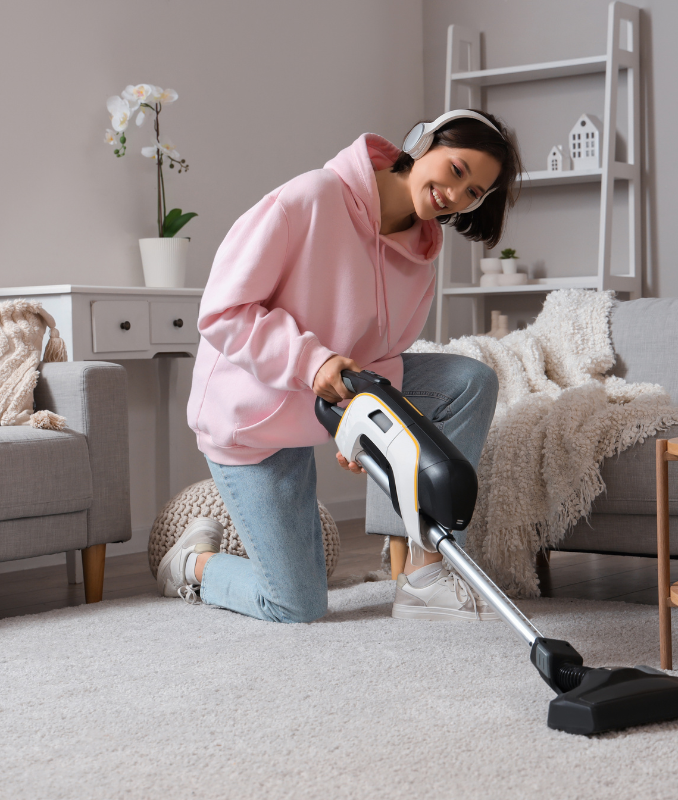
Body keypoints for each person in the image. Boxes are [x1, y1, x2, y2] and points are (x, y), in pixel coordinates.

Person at [158, 110, 522, 623]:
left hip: (323, 403)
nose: (456, 195)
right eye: (458, 170)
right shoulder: (311, 197)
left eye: (474, 193)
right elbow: (223, 312)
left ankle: (427, 571)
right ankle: (194, 564)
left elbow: (381, 359)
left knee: (470, 381)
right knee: (294, 604)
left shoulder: (421, 261)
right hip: (252, 422)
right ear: (421, 143)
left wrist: (365, 429)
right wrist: (312, 360)